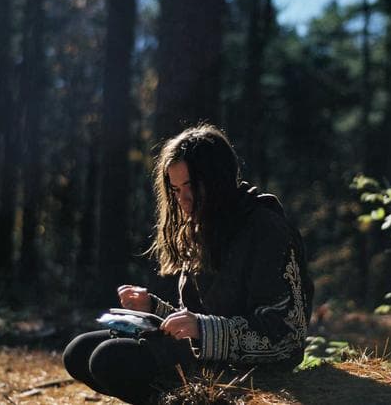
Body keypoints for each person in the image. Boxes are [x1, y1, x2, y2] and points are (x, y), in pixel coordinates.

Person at [63, 124, 313, 404]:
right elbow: (197, 317)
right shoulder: (203, 226)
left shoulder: (266, 229)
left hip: (248, 372)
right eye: (176, 189)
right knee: (79, 352)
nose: (183, 199)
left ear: (218, 178)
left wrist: (204, 330)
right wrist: (153, 308)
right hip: (205, 358)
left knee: (109, 359)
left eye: (191, 186)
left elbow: (287, 339)